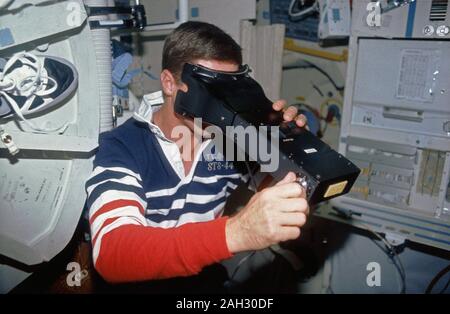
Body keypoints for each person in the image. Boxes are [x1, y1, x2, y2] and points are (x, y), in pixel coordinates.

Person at [85, 21, 309, 286]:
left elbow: (294, 193)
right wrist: (237, 233)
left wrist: (287, 142)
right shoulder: (121, 147)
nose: (220, 105)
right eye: (209, 92)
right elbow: (113, 254)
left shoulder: (231, 141)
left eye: (227, 92)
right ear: (170, 84)